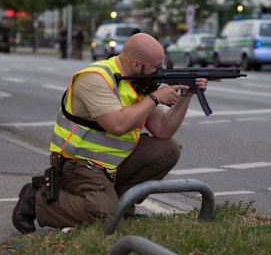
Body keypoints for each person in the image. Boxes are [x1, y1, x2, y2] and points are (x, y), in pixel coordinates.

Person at [12, 32, 209, 232]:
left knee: (168, 149)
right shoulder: (95, 79)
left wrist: (187, 95)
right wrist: (154, 98)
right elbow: (117, 125)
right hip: (77, 165)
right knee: (103, 216)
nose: (160, 72)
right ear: (135, 64)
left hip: (110, 165)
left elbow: (163, 130)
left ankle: (123, 207)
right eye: (156, 67)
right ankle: (38, 198)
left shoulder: (139, 83)